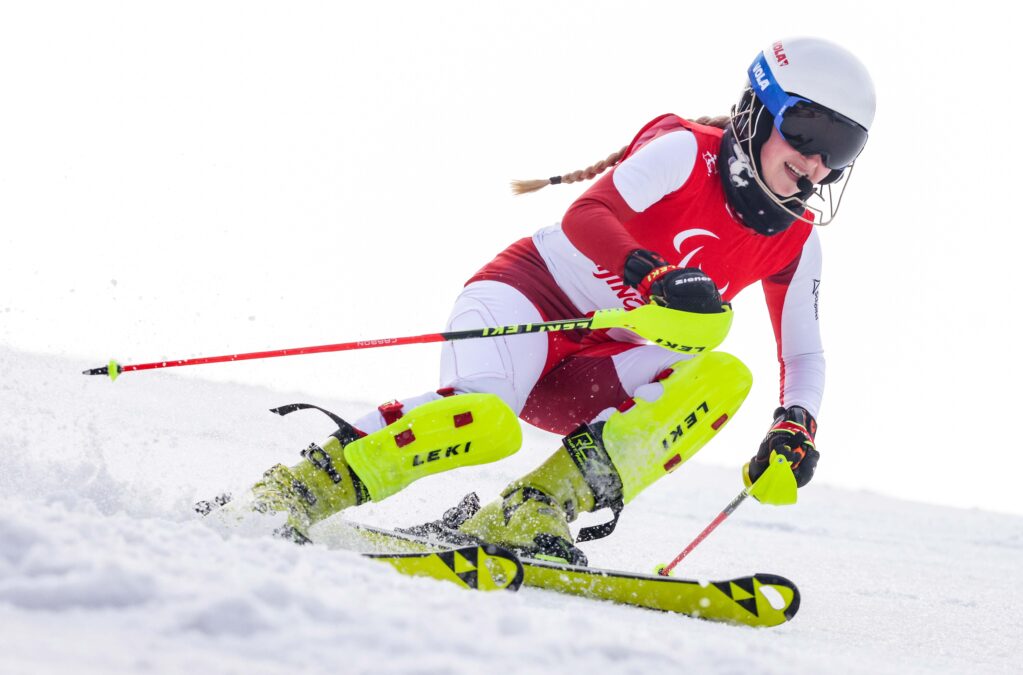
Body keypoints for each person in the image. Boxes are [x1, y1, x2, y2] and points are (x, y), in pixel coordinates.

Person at [215, 37, 876, 565]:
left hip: (597, 366)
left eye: (840, 149)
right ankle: (299, 488)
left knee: (725, 376)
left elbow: (804, 350)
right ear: (760, 108)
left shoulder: (794, 239)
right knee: (483, 422)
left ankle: (533, 507)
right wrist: (650, 275)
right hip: (527, 303)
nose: (817, 162)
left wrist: (795, 423)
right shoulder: (685, 152)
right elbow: (589, 214)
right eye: (807, 128)